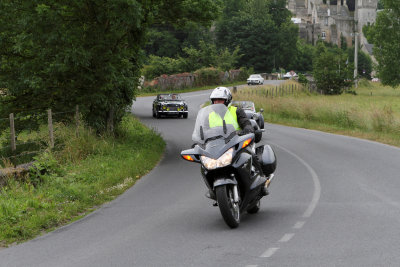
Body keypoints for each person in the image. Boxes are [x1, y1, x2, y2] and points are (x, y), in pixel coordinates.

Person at [208, 87, 269, 196]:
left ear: (227, 100)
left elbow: (245, 122)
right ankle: (212, 185)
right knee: (206, 163)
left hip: (237, 142)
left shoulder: (236, 111)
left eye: (220, 100)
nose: (217, 102)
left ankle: (262, 181)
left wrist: (247, 129)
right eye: (215, 100)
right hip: (219, 146)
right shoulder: (209, 116)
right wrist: (199, 141)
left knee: (251, 155)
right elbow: (203, 131)